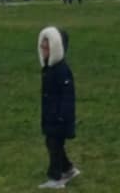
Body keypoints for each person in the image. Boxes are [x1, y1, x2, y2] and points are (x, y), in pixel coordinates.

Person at [38, 24, 78, 187]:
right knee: (53, 143)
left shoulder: (61, 70)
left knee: (54, 145)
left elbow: (68, 97)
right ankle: (68, 168)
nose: (43, 50)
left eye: (46, 48)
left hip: (59, 118)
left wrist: (62, 116)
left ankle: (56, 176)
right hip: (51, 116)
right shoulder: (49, 69)